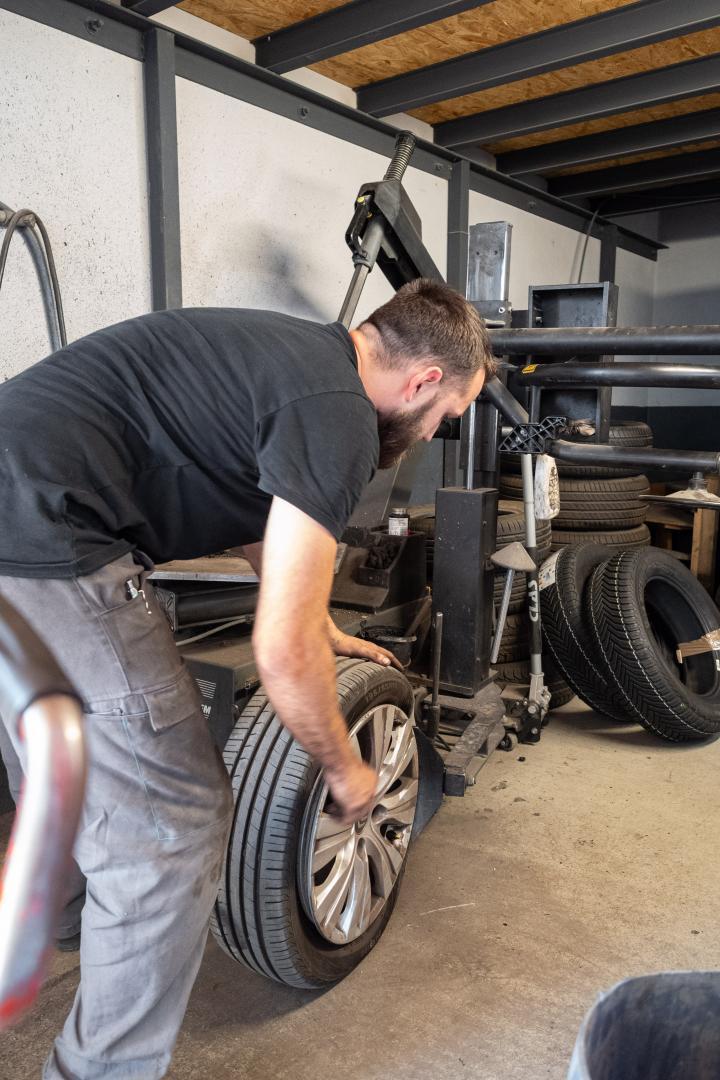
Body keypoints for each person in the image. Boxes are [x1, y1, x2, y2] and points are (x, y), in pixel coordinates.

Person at [0, 277, 494, 1078]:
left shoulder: (292, 359)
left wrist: (313, 618)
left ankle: (72, 925)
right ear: (424, 380)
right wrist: (345, 768)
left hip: (15, 522)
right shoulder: (339, 416)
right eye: (448, 413)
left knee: (57, 756)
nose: (440, 429)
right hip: (46, 534)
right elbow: (281, 655)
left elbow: (256, 511)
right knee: (176, 827)